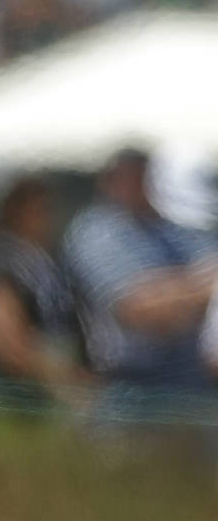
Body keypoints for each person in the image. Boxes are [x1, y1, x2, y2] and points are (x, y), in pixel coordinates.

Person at [63, 149, 218, 416]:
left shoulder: (179, 224)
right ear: (110, 181)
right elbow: (141, 310)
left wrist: (176, 291)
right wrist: (199, 290)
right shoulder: (96, 231)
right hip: (133, 395)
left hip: (197, 392)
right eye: (133, 176)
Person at [0, 177, 90, 409]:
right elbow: (4, 340)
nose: (45, 218)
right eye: (38, 210)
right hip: (14, 395)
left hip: (54, 384)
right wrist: (60, 380)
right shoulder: (0, 261)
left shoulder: (48, 260)